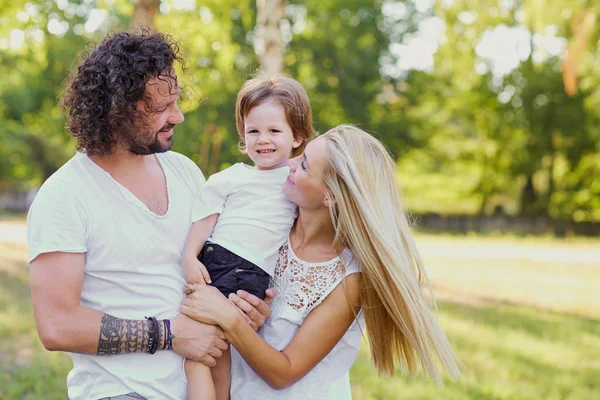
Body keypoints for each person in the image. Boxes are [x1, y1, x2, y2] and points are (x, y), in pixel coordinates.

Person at [26, 31, 271, 400]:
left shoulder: (185, 171)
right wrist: (171, 334)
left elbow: (212, 265)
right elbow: (57, 326)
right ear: (117, 110)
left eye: (176, 102)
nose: (179, 116)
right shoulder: (64, 196)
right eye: (161, 108)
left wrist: (242, 310)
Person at [180, 125, 464, 399]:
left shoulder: (348, 279)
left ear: (330, 196)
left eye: (304, 165)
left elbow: (284, 373)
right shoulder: (271, 229)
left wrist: (230, 319)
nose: (290, 163)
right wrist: (249, 316)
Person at [180, 76, 315, 400]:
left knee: (201, 351)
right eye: (253, 131)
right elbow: (206, 217)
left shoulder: (296, 180)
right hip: (215, 260)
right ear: (243, 134)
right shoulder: (231, 177)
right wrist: (188, 255)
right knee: (213, 347)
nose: (262, 140)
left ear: (297, 135)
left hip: (249, 272)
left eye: (274, 131)